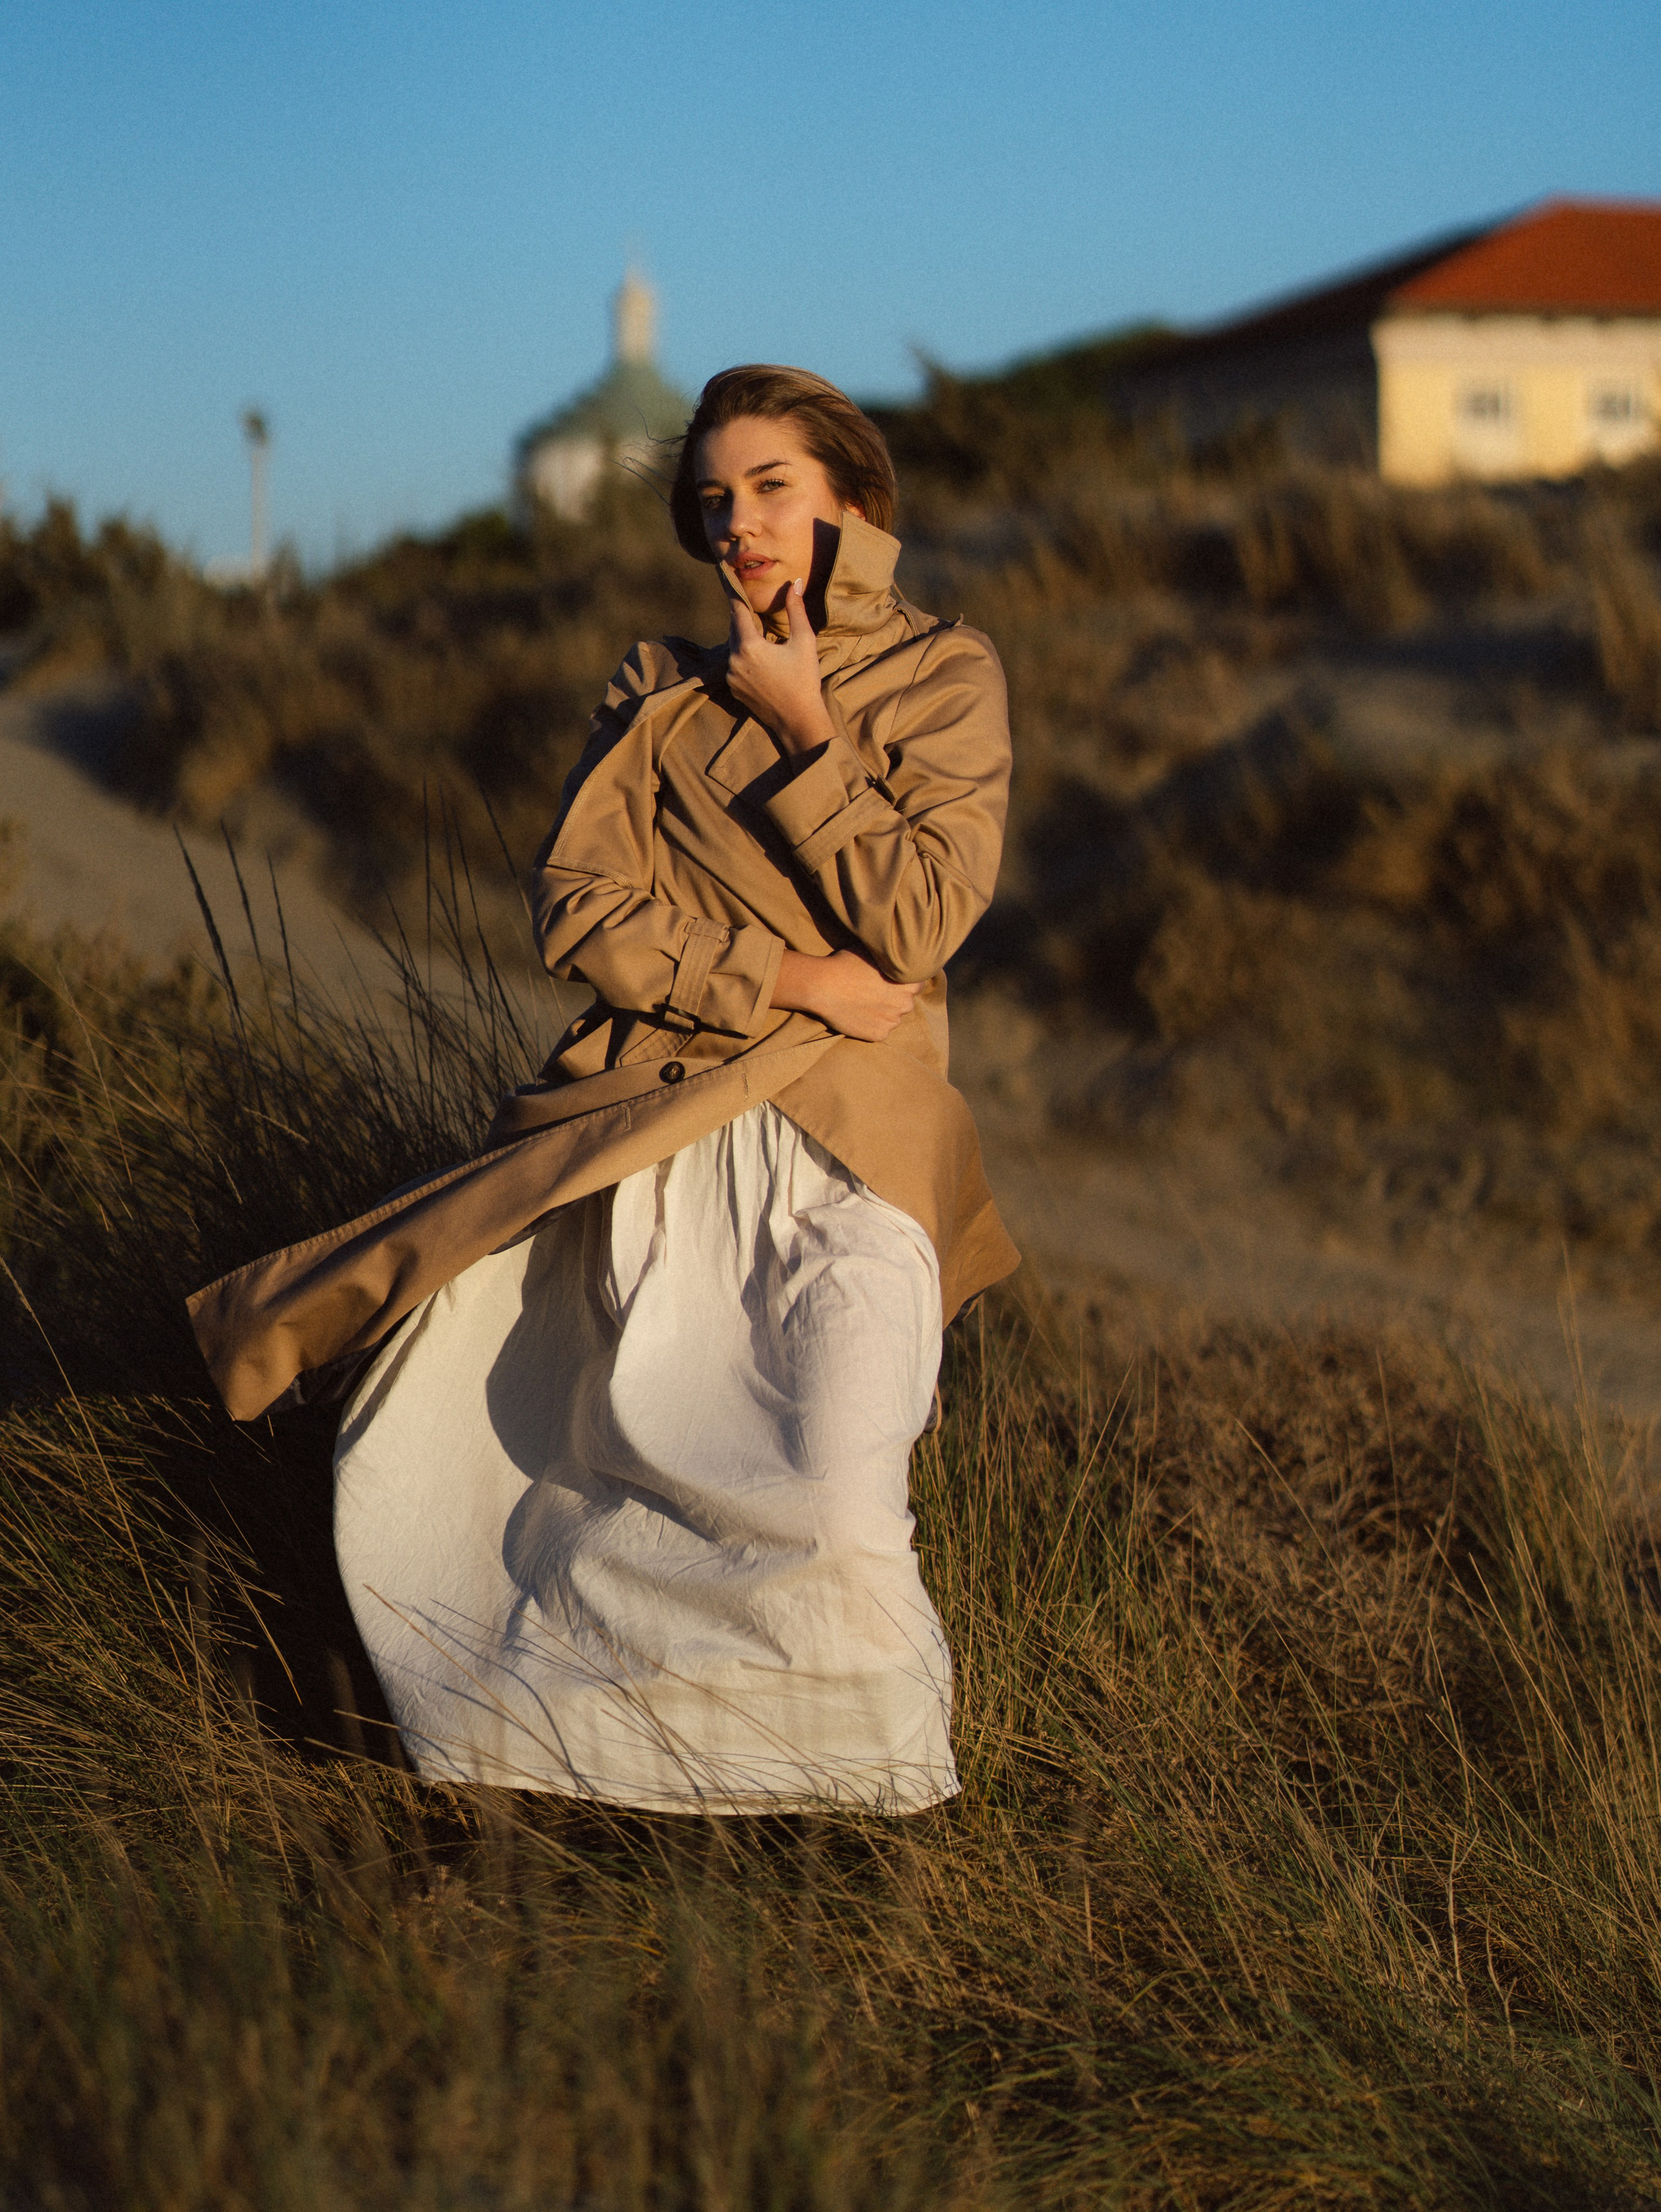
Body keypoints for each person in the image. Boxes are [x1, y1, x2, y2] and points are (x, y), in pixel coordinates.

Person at [188, 365, 1017, 1814]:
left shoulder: (948, 673)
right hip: (653, 1135)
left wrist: (811, 727)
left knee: (833, 1498)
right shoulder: (654, 688)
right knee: (567, 1497)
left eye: (768, 488)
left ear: (850, 498)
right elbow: (578, 910)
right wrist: (786, 978)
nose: (736, 525)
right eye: (712, 501)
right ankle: (590, 1787)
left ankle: (879, 1811)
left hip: (854, 1145)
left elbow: (925, 920)